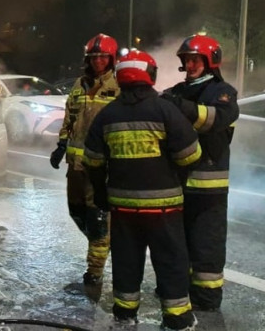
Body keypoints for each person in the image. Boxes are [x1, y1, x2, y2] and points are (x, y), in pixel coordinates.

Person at [84, 49, 201, 330]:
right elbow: (190, 154)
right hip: (165, 207)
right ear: (150, 75)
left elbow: (93, 161)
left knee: (126, 261)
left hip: (122, 207)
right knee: (171, 261)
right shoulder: (165, 110)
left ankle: (125, 314)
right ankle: (177, 318)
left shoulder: (107, 115)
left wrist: (101, 193)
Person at [161, 35, 239, 311]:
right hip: (177, 185)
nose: (190, 64)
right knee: (175, 245)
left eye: (196, 60)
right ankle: (176, 292)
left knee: (207, 247)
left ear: (210, 61)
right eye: (187, 60)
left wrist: (178, 106)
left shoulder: (223, 92)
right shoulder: (177, 92)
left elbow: (215, 119)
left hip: (209, 189)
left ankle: (207, 300)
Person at [50, 33, 120, 295]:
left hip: (101, 168)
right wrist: (60, 145)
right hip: (76, 166)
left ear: (111, 59)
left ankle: (94, 271)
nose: (98, 61)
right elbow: (69, 117)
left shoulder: (119, 85)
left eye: (103, 57)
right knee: (76, 212)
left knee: (99, 219)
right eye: (93, 57)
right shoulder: (80, 84)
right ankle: (101, 245)